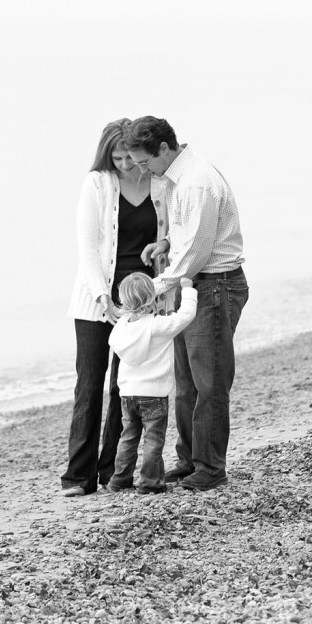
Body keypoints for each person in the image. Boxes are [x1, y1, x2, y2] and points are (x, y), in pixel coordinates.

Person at [122, 116, 248, 492]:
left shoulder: (195, 183)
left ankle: (211, 467)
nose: (144, 171)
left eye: (145, 162)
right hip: (195, 285)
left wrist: (153, 287)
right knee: (185, 381)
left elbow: (196, 251)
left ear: (164, 149)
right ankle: (190, 459)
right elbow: (188, 236)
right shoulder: (180, 176)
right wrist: (165, 245)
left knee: (209, 382)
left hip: (214, 287)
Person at [61, 118, 167, 497]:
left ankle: (112, 472)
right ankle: (78, 477)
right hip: (95, 302)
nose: (124, 163)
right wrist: (102, 297)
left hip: (139, 303)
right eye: (116, 157)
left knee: (126, 390)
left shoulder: (157, 182)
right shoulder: (97, 183)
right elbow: (88, 245)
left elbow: (167, 235)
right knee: (89, 385)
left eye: (129, 156)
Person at [107, 273, 198, 493]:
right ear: (153, 299)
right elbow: (185, 316)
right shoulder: (157, 326)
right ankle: (150, 482)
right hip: (154, 394)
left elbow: (112, 342)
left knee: (128, 437)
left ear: (123, 301)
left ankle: (119, 480)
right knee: (153, 440)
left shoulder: (120, 328)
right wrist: (187, 289)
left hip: (127, 394)